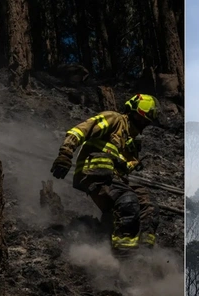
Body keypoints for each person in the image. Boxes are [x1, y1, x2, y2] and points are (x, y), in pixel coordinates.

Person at [50, 94, 161, 253]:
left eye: (147, 121)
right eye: (141, 117)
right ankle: (122, 254)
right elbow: (81, 130)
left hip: (116, 181)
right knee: (127, 201)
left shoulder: (133, 141)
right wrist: (65, 153)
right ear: (131, 111)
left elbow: (125, 167)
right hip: (94, 173)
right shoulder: (114, 119)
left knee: (148, 203)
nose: (143, 123)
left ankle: (143, 252)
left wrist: (127, 163)